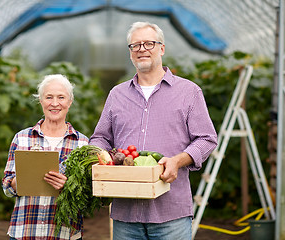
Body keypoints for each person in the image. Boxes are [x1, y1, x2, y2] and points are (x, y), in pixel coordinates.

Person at [89, 21, 218, 240]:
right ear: (130, 53)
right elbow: (100, 137)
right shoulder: (117, 94)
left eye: (149, 43)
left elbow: (206, 139)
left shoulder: (188, 92)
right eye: (135, 45)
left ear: (162, 48)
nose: (142, 49)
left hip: (171, 212)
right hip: (126, 212)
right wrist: (100, 157)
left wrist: (177, 161)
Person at [2, 74, 88, 240]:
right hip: (26, 231)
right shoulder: (22, 138)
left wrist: (68, 188)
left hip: (64, 234)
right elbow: (6, 186)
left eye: (61, 97)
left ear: (70, 102)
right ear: (41, 101)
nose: (55, 103)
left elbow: (87, 196)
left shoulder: (82, 143)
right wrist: (19, 182)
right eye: (49, 97)